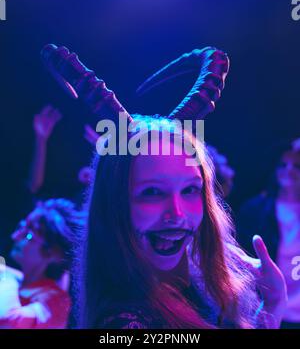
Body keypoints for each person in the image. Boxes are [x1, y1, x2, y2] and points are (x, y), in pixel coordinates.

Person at [77, 115, 287, 329]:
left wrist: (272, 305)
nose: (178, 214)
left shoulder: (197, 291)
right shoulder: (125, 324)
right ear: (113, 204)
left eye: (190, 190)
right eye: (152, 192)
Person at [236, 138, 300, 329]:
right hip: (271, 310)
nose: (289, 170)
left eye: (297, 165)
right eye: (283, 165)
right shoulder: (255, 209)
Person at [0, 198, 84, 329]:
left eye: (28, 234)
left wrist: (6, 275)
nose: (15, 236)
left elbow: (9, 322)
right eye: (21, 227)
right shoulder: (14, 282)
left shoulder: (56, 300)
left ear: (53, 253)